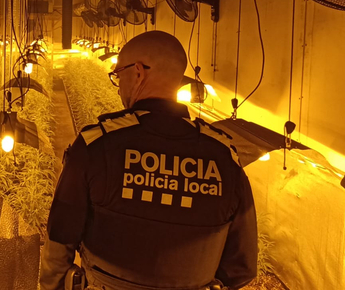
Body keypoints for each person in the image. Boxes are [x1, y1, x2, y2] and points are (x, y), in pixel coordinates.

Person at [40, 31, 258, 290]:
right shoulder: (225, 158)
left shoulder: (97, 145)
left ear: (139, 72)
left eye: (118, 75)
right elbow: (241, 267)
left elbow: (60, 237)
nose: (118, 85)